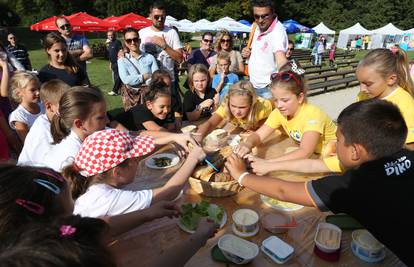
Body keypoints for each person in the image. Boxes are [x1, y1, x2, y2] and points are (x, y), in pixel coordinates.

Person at [225, 99, 414, 266]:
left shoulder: (354, 185)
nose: (334, 145)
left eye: (338, 140)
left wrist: (242, 176)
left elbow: (283, 191)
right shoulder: (409, 156)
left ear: (355, 152)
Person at [250, 48, 414, 175]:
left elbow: (408, 149)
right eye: (360, 82)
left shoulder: (405, 104)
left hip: (374, 168)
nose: (362, 88)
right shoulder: (365, 94)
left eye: (368, 83)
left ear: (391, 79)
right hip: (351, 159)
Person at [63, 128, 204, 217]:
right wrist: (193, 158)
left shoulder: (92, 179)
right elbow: (168, 193)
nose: (139, 160)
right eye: (136, 159)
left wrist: (173, 137)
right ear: (117, 172)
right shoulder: (107, 199)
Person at [234, 66, 337, 161]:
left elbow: (305, 152)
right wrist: (247, 144)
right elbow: (259, 135)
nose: (279, 105)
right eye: (275, 100)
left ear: (300, 98)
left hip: (332, 156)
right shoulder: (278, 113)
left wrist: (268, 163)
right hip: (315, 155)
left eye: (285, 100)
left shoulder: (313, 115)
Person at [41, 86, 108, 172]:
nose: (107, 121)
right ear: (79, 124)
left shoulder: (88, 140)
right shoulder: (76, 158)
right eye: (101, 118)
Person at [241, 0, 288, 99]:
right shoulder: (255, 26)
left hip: (268, 89)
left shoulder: (277, 31)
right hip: (252, 84)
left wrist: (286, 80)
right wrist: (248, 53)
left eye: (265, 16)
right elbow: (260, 52)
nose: (260, 20)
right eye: (256, 16)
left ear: (273, 13)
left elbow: (281, 59)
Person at [18, 80, 70, 166]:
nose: (71, 110)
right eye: (65, 106)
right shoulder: (42, 132)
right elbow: (49, 164)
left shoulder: (58, 121)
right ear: (49, 106)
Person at [196, 81, 273, 139]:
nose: (237, 112)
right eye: (233, 106)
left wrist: (259, 127)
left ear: (252, 104)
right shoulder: (225, 106)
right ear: (228, 101)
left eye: (242, 107)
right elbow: (210, 123)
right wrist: (198, 137)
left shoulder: (262, 108)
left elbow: (275, 107)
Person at [139, 1, 183, 99]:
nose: (160, 19)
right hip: (149, 83)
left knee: (171, 112)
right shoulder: (142, 33)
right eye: (156, 16)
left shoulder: (171, 33)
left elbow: (180, 59)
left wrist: (164, 45)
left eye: (163, 17)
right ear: (150, 16)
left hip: (168, 82)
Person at [117, 28, 158, 111]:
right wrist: (144, 77)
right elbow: (126, 79)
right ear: (125, 43)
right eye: (129, 40)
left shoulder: (149, 57)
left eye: (135, 39)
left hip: (149, 97)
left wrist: (139, 80)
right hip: (132, 99)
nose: (132, 42)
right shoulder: (122, 59)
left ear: (139, 40)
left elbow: (156, 77)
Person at [8, 72, 44, 143]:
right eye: (32, 90)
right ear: (19, 93)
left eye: (38, 88)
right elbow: (27, 143)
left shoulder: (43, 105)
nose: (38, 92)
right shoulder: (19, 116)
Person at [106, 31, 123, 96]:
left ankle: (114, 90)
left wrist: (120, 61)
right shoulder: (109, 43)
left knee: (118, 77)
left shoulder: (117, 42)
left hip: (118, 63)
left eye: (111, 35)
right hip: (113, 63)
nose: (110, 36)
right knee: (115, 78)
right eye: (109, 35)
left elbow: (121, 51)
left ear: (114, 35)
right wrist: (110, 63)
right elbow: (111, 54)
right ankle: (119, 90)